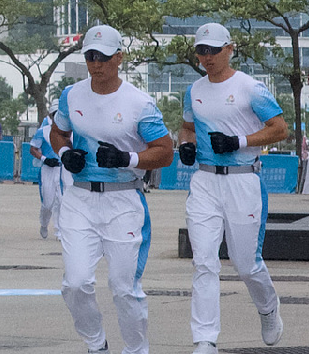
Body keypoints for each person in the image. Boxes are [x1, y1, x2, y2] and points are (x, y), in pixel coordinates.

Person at [51, 25, 174, 354]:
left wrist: (127, 158)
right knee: (74, 284)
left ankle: (136, 350)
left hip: (123, 201)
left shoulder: (139, 103)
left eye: (103, 57)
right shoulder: (72, 95)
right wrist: (66, 155)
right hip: (79, 199)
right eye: (90, 56)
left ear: (119, 57)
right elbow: (58, 133)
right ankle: (96, 344)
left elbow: (165, 151)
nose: (96, 63)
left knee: (123, 290)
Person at [177, 22, 287, 352]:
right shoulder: (193, 90)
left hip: (243, 180)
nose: (207, 57)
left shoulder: (251, 88)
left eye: (213, 50)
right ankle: (205, 339)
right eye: (201, 51)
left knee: (245, 264)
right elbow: (186, 127)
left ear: (229, 49)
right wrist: (186, 145)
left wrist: (239, 141)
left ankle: (268, 309)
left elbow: (280, 129)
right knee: (205, 261)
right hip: (205, 181)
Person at [29, 110, 64, 240]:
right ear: (51, 116)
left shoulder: (68, 133)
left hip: (62, 170)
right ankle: (44, 224)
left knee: (62, 201)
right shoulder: (43, 132)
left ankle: (59, 231)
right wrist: (45, 159)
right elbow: (32, 149)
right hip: (47, 170)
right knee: (48, 204)